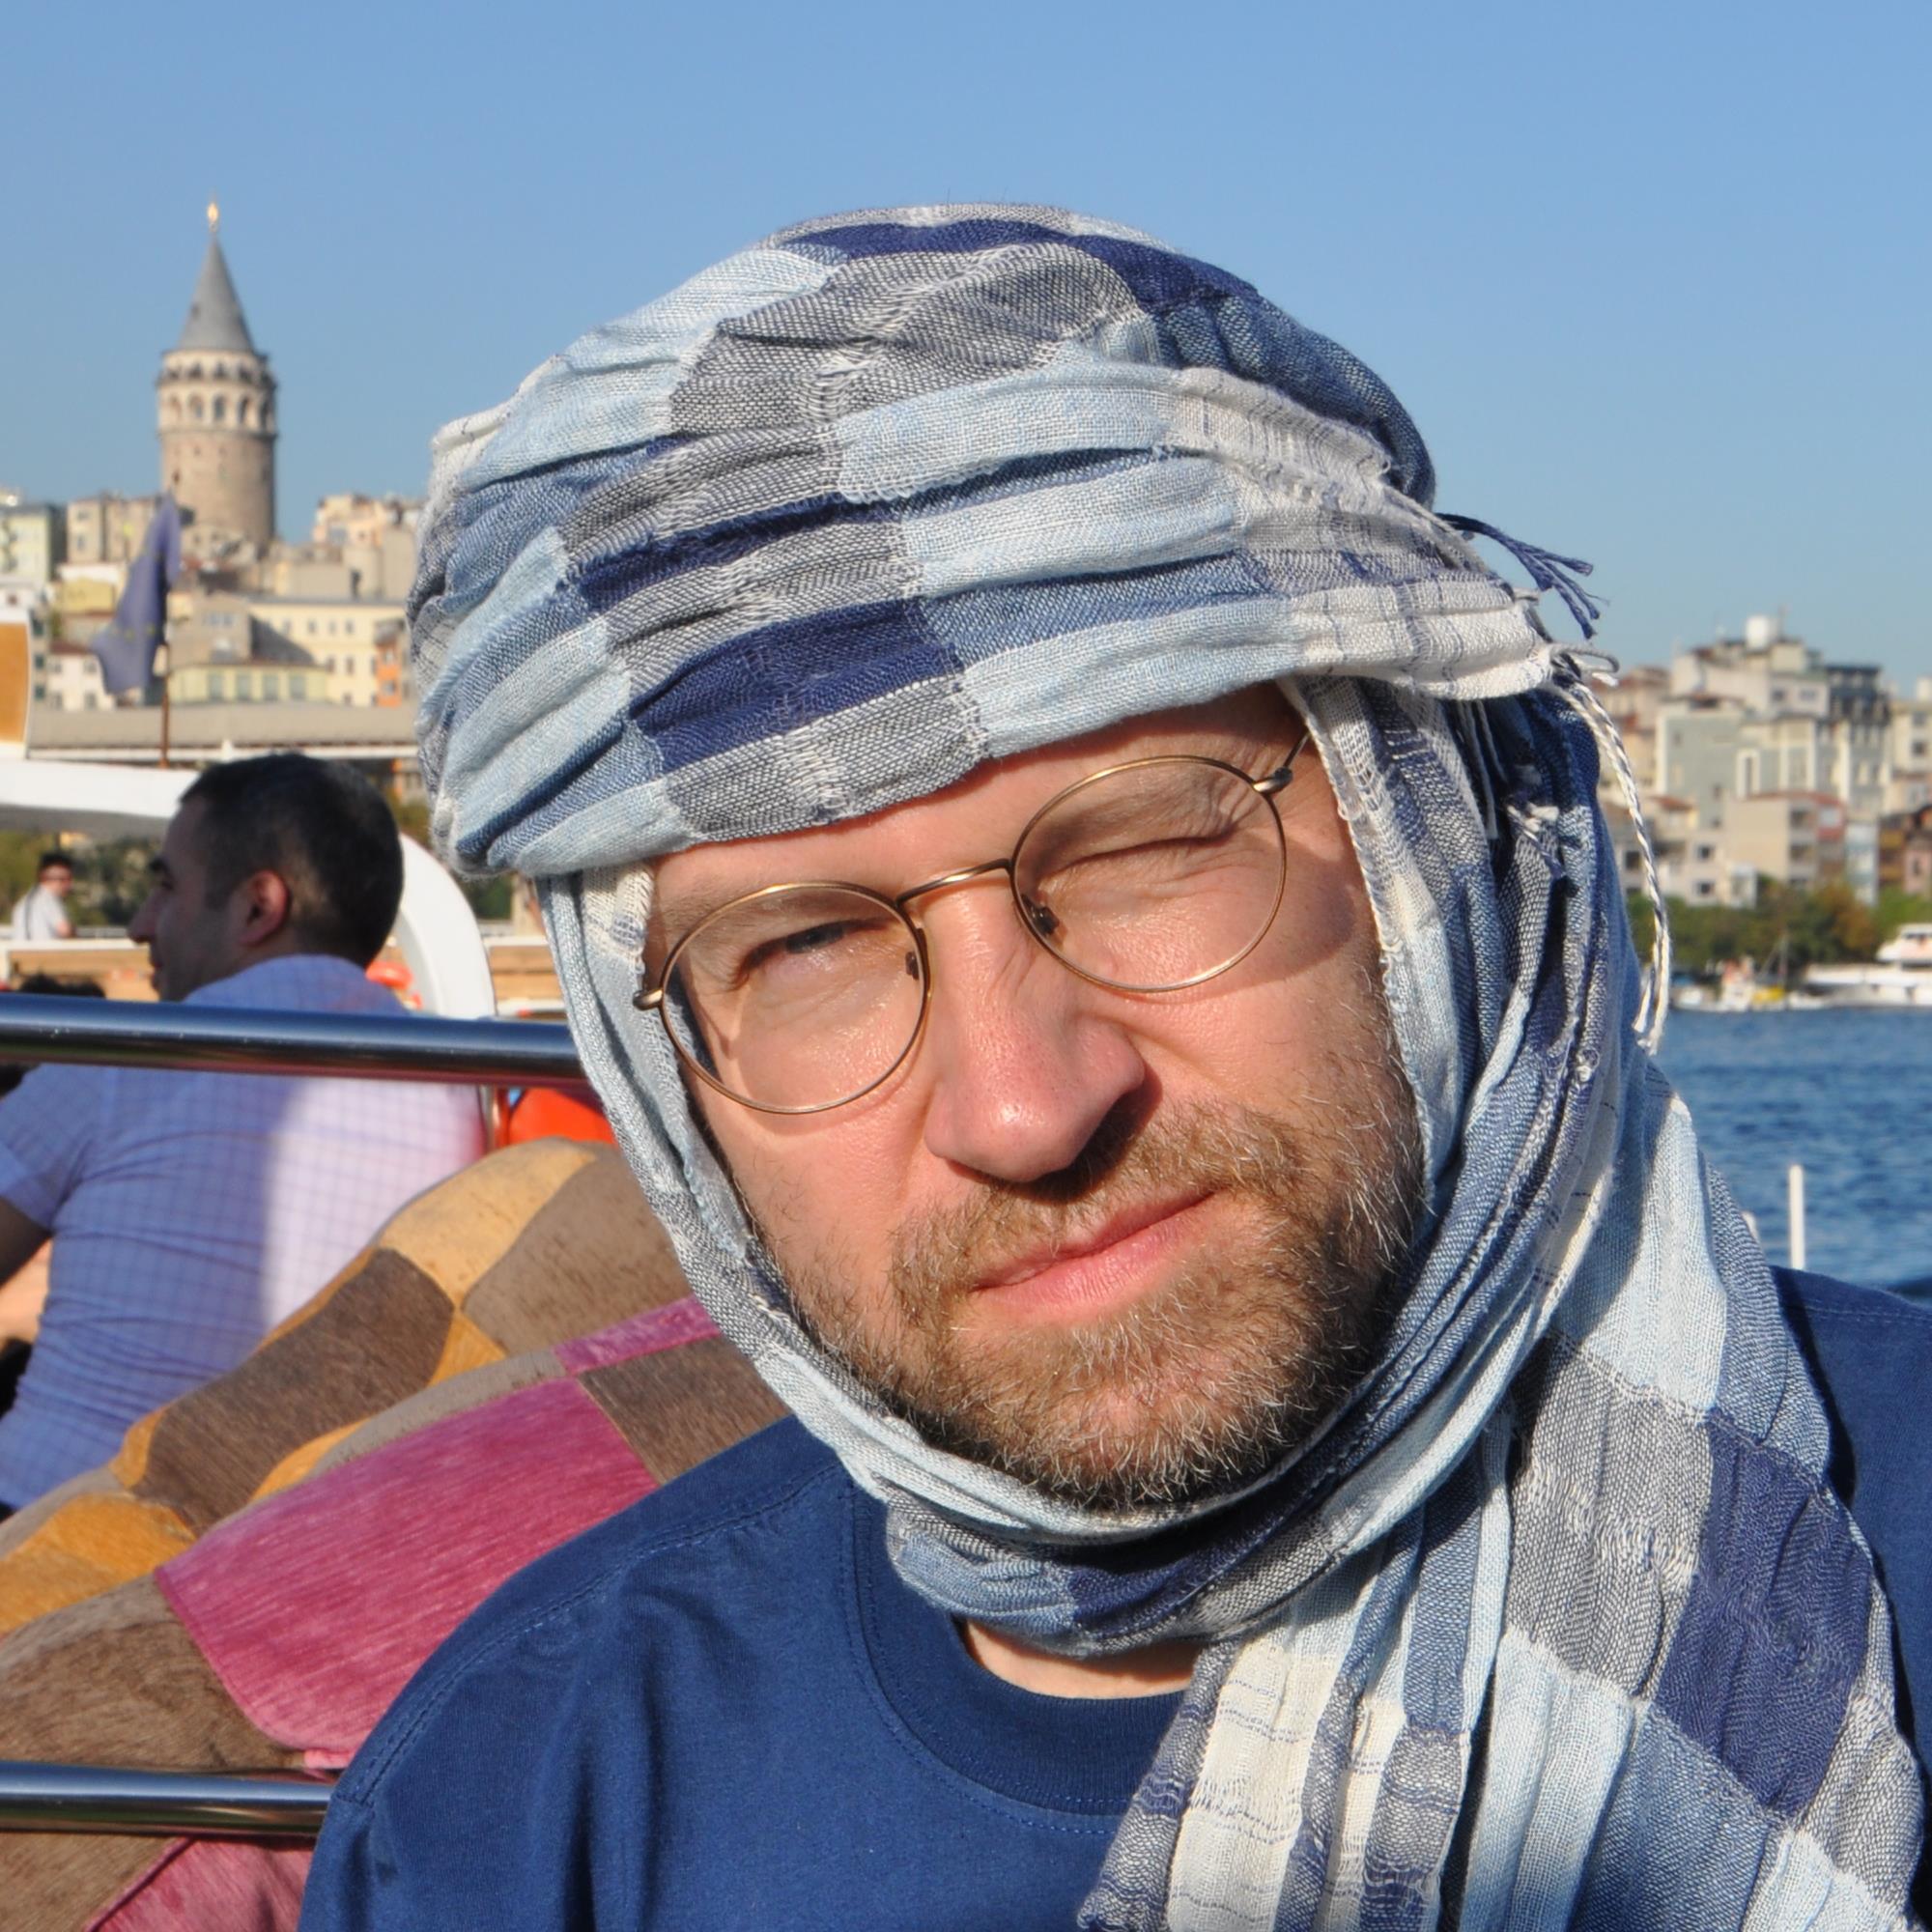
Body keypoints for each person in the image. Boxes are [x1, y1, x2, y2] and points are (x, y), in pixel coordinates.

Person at [302, 209, 1932, 1931]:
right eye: (804, 949)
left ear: (1422, 853)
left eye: (1151, 846)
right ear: (666, 1076)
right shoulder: (519, 1820)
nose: (1024, 1106)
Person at [0, 753, 485, 1513]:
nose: (139, 924)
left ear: (259, 907)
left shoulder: (121, 1063)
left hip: (44, 1528)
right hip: (297, 1552)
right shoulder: (457, 1093)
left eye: (165, 887)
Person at [9, 853, 74, 943]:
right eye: (63, 879)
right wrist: (74, 932)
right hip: (43, 951)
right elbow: (65, 930)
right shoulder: (49, 899)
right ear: (46, 877)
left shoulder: (24, 901)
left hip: (21, 951)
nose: (69, 885)